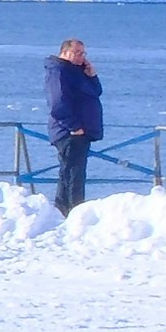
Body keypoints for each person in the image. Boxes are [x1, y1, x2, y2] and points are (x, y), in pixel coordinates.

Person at [45, 37, 104, 215]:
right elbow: (57, 104)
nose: (80, 57)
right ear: (64, 53)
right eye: (76, 53)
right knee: (72, 175)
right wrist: (74, 127)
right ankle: (72, 211)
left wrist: (92, 76)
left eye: (83, 53)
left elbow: (96, 92)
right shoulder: (59, 71)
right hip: (70, 132)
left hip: (80, 132)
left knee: (72, 173)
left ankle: (65, 210)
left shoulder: (77, 71)